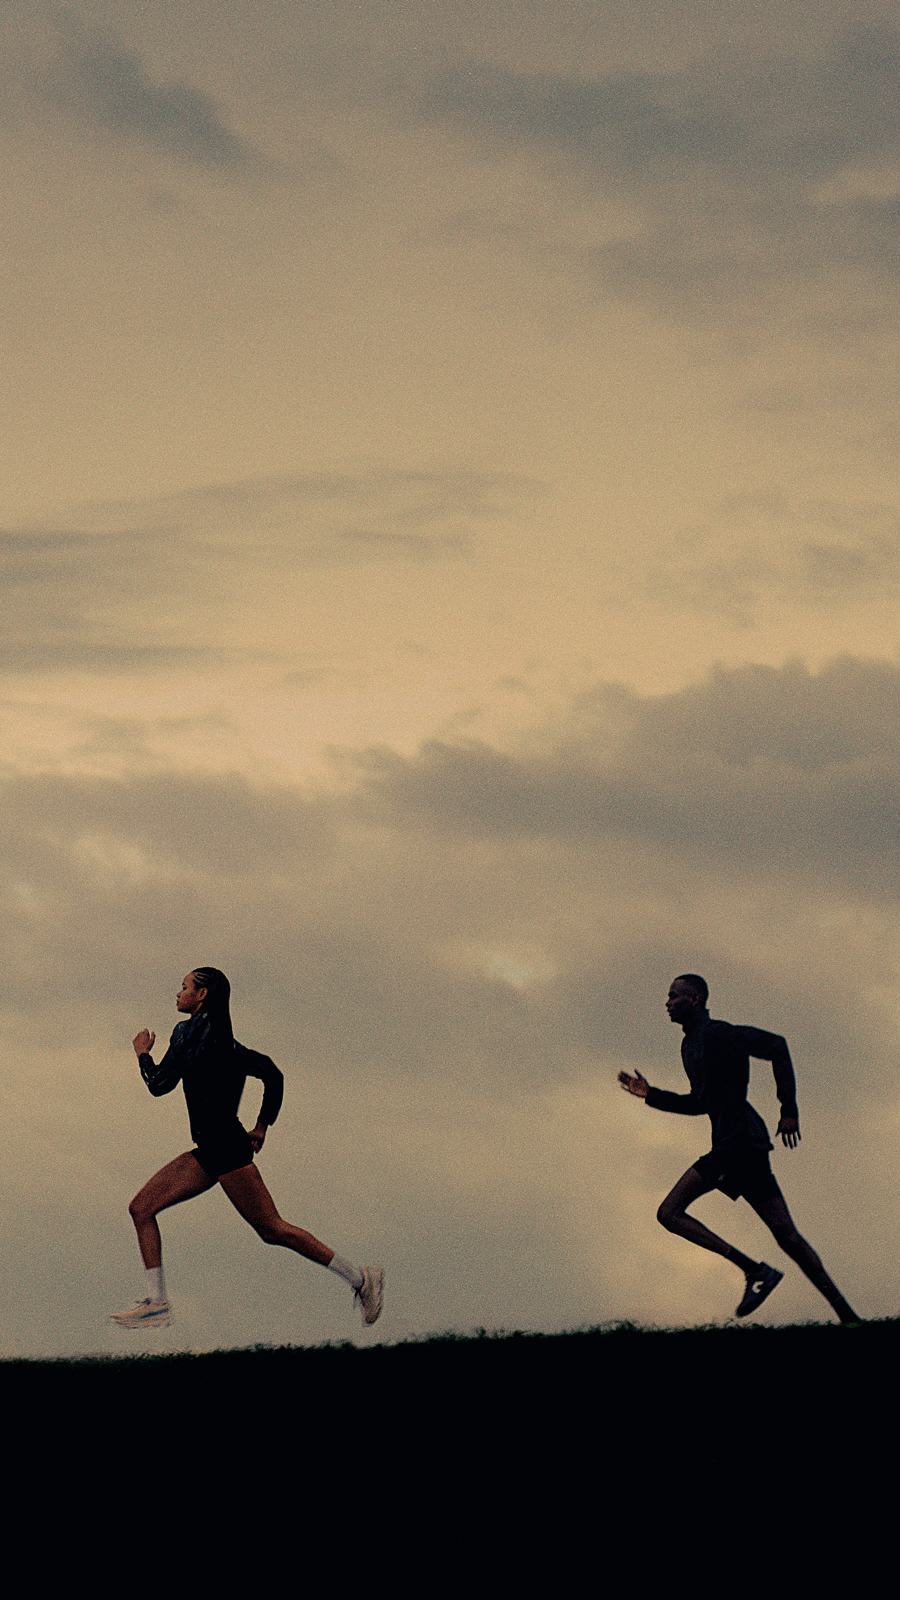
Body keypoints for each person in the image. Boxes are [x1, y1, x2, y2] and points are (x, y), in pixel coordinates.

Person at [110, 968, 384, 1331]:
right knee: (141, 1208)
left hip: (225, 1149)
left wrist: (143, 1054)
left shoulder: (188, 1033)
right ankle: (157, 1303)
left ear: (203, 994)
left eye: (184, 987)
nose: (178, 993)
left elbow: (159, 1084)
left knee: (273, 1229)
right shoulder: (227, 1042)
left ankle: (362, 1280)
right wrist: (261, 1126)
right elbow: (273, 1074)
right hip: (212, 1148)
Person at [617, 974, 858, 1324]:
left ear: (694, 1000)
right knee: (788, 1237)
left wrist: (788, 1109)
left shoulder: (720, 1034)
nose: (667, 1003)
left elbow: (777, 1045)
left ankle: (755, 1271)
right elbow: (700, 1103)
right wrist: (650, 1095)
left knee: (669, 1213)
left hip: (737, 1144)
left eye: (673, 996)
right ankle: (848, 1318)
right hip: (740, 1144)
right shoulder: (689, 1046)